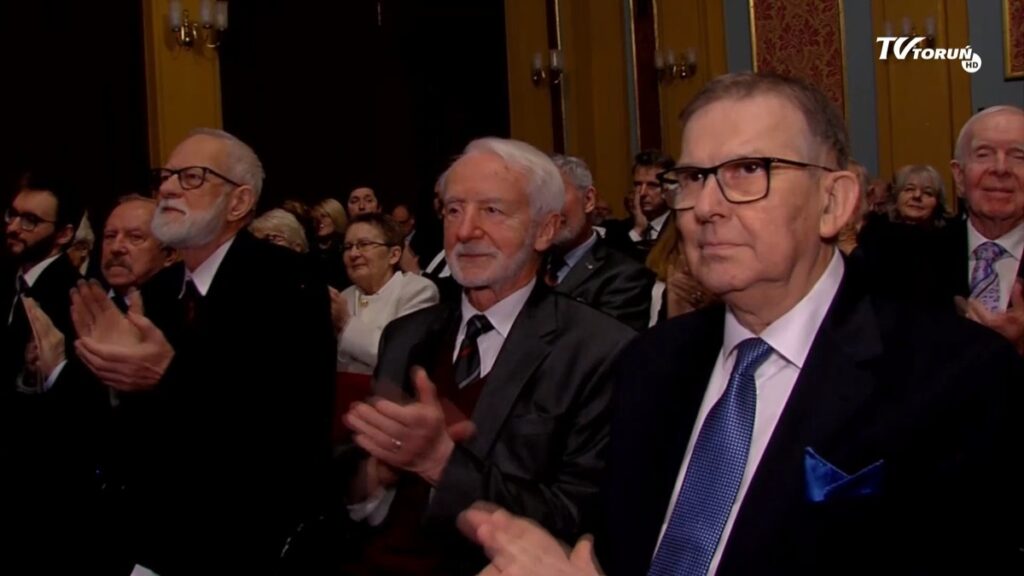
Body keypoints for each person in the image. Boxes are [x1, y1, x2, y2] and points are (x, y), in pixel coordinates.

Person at [461, 73, 1024, 575]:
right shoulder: (649, 364)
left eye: (749, 170)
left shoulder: (958, 379)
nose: (707, 206)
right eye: (692, 178)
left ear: (835, 202)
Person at [339, 137, 635, 575]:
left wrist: (440, 462)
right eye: (454, 210)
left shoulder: (598, 349)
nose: (465, 231)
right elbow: (350, 484)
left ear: (546, 230)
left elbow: (576, 516)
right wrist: (376, 475)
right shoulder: (405, 335)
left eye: (492, 211)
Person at [69, 128, 336, 575]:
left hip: (243, 542)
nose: (169, 188)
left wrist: (168, 375)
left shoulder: (288, 284)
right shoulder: (158, 291)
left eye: (192, 177)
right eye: (167, 176)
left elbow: (284, 433)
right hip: (151, 538)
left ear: (238, 202)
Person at [331, 212, 438, 442]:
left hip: (393, 419)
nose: (354, 254)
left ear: (394, 254)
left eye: (364, 244)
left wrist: (345, 324)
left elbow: (400, 359)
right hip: (341, 416)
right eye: (348, 246)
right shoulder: (344, 297)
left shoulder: (418, 291)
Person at [547, 155, 654, 331]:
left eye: (556, 194)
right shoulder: (527, 267)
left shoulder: (625, 276)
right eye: (539, 199)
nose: (548, 208)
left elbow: (604, 350)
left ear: (589, 200)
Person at [102, 195, 178, 307]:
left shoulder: (184, 314)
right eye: (110, 236)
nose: (115, 248)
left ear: (168, 254)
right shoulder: (76, 305)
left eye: (135, 237)